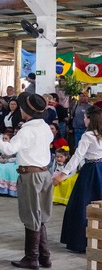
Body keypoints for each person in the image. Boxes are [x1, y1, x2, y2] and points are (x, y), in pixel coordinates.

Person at [0, 92, 53, 269]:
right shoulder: (45, 127)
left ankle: (32, 258)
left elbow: (9, 149)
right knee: (40, 215)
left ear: (27, 111)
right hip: (44, 173)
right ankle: (44, 256)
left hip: (31, 175)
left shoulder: (27, 130)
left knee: (30, 215)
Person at [56, 106, 102, 252]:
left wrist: (63, 174)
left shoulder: (88, 136)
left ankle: (80, 241)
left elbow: (78, 156)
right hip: (100, 169)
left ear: (90, 119)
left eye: (85, 117)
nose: (83, 119)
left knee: (82, 205)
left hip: (91, 172)